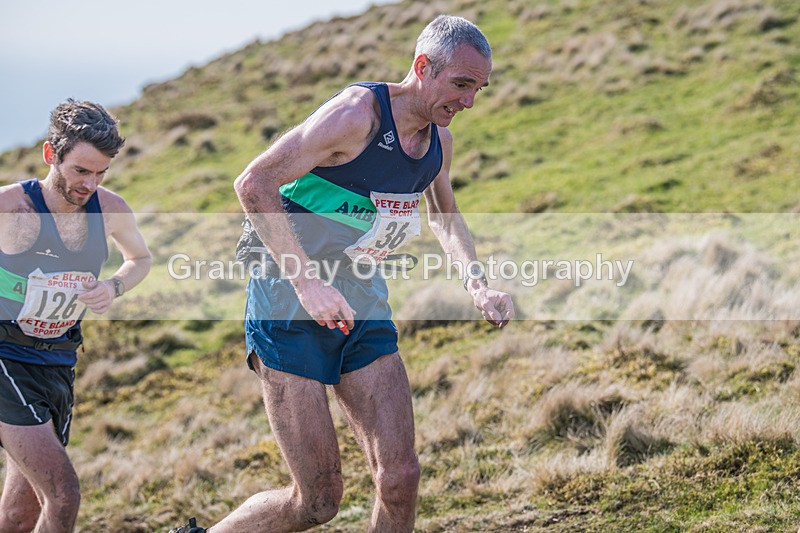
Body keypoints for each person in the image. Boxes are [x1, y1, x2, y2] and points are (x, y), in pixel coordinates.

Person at [171, 14, 513, 533]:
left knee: (400, 478)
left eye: (478, 89)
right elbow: (253, 184)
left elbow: (443, 215)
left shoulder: (439, 142)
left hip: (361, 298)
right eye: (462, 84)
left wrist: (477, 283)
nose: (469, 101)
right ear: (423, 67)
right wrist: (307, 283)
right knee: (318, 501)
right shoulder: (357, 116)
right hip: (289, 299)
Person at [0, 99, 152, 532]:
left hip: (58, 361)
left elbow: (139, 258)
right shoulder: (11, 207)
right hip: (5, 356)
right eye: (81, 171)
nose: (91, 183)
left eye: (101, 172)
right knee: (63, 494)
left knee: (19, 513)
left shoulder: (111, 210)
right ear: (51, 155)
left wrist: (112, 286)